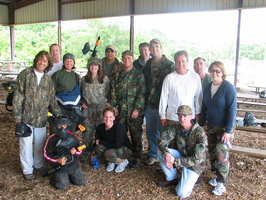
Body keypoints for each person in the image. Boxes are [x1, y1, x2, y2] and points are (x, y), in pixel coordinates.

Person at [13, 50, 61, 180]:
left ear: (48, 64)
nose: (42, 63)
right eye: (40, 60)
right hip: (26, 117)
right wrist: (17, 116)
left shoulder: (47, 80)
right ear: (36, 60)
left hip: (41, 118)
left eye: (45, 61)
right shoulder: (25, 74)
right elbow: (18, 96)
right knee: (26, 145)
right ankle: (27, 170)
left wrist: (58, 115)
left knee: (40, 143)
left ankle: (38, 164)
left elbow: (51, 100)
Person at [199, 61, 237, 196]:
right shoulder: (208, 87)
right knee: (213, 152)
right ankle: (215, 175)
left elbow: (232, 111)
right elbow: (204, 107)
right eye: (212, 70)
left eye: (218, 71)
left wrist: (228, 131)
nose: (215, 73)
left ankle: (222, 182)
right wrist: (201, 124)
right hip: (211, 126)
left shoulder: (228, 88)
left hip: (224, 128)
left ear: (223, 72)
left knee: (221, 153)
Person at [157, 105, 207, 199]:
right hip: (181, 156)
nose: (182, 119)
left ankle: (191, 176)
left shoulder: (199, 133)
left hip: (194, 165)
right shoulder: (177, 126)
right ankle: (172, 177)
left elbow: (197, 159)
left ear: (191, 116)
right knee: (160, 151)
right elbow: (161, 140)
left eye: (185, 116)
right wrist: (167, 154)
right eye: (180, 116)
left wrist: (175, 161)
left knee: (182, 193)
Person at [110, 50, 146, 170]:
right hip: (121, 113)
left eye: (129, 58)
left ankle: (136, 158)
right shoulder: (117, 75)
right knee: (121, 135)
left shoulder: (138, 74)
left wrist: (137, 109)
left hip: (134, 113)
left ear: (132, 59)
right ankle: (123, 157)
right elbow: (113, 92)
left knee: (136, 136)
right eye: (124, 58)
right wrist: (114, 107)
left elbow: (142, 93)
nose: (126, 61)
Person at [143, 39, 175, 165]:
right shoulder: (147, 65)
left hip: (164, 107)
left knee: (164, 133)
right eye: (152, 47)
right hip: (150, 104)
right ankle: (153, 154)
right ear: (150, 49)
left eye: (157, 46)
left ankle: (164, 157)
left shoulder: (170, 65)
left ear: (161, 48)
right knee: (151, 131)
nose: (154, 49)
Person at [159, 50, 202, 128]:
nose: (180, 64)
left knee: (187, 140)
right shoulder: (169, 78)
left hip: (189, 118)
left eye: (183, 61)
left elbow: (198, 96)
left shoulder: (195, 77)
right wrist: (162, 115)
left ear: (187, 62)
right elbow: (164, 97)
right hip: (172, 118)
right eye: (178, 61)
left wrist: (197, 113)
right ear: (175, 63)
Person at [44, 116, 87, 190]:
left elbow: (80, 151)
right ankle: (57, 179)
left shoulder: (73, 137)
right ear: (56, 126)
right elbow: (46, 155)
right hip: (60, 166)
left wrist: (75, 152)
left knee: (82, 181)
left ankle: (68, 177)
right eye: (60, 126)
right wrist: (57, 160)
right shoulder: (52, 139)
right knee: (62, 186)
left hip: (72, 165)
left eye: (64, 126)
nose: (62, 128)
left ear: (68, 126)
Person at [79, 57, 110, 162]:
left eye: (96, 65)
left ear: (99, 67)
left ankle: (100, 154)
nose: (93, 67)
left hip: (101, 111)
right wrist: (82, 103)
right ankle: (86, 153)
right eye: (91, 65)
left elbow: (108, 93)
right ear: (88, 66)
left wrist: (108, 105)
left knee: (102, 133)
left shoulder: (104, 79)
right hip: (88, 111)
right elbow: (79, 94)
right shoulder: (83, 80)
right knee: (87, 134)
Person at [95, 106, 132, 173]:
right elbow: (97, 140)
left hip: (124, 149)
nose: (108, 119)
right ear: (103, 117)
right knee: (98, 148)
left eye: (110, 117)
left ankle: (123, 161)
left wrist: (101, 141)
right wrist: (93, 153)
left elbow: (117, 145)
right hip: (111, 146)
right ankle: (112, 161)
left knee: (107, 153)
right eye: (106, 117)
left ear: (114, 118)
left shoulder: (118, 128)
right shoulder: (100, 127)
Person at [52, 53, 81, 133]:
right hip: (60, 107)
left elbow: (78, 91)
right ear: (63, 63)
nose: (69, 63)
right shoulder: (57, 75)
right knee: (58, 131)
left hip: (73, 107)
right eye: (67, 61)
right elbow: (52, 91)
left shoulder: (76, 76)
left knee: (71, 131)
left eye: (71, 61)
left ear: (74, 63)